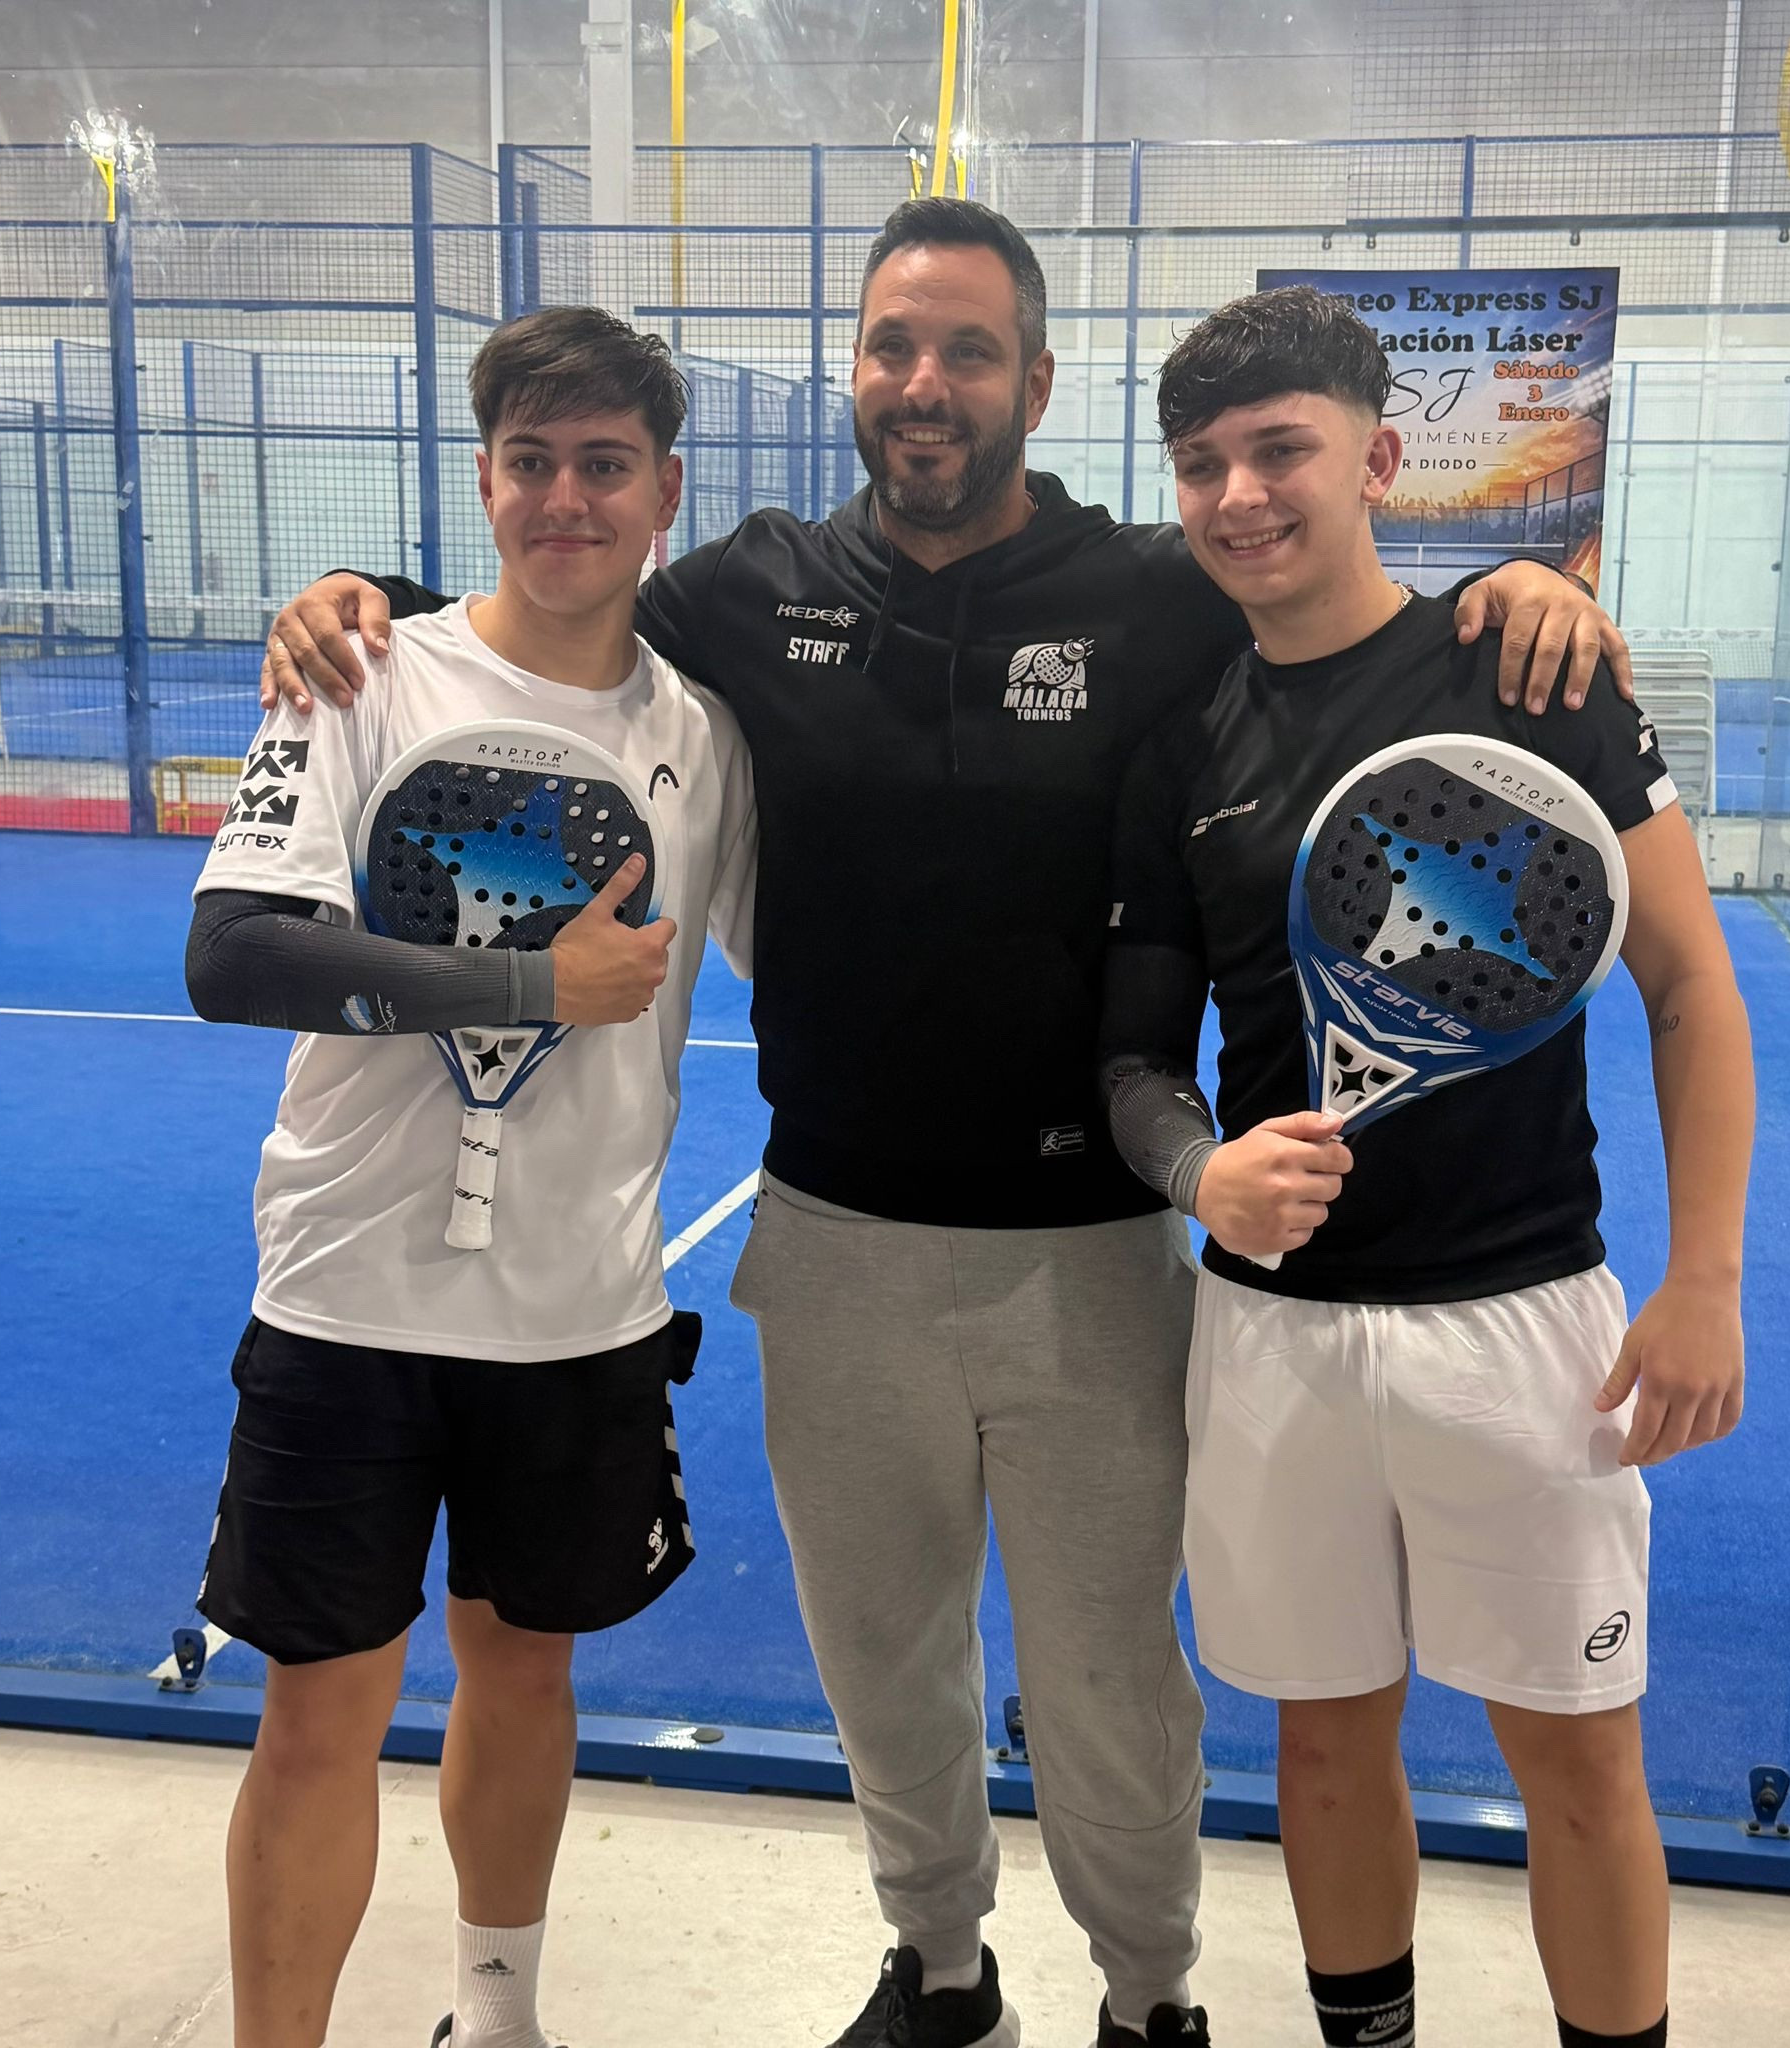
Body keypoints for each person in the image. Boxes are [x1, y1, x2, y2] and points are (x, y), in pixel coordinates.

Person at [259, 201, 1634, 2048]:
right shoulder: (745, 589)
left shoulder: (1154, 590)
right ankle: (941, 1972)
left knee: (1109, 1685)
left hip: (1096, 1258)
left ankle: (1150, 1997)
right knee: (885, 1671)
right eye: (893, 346)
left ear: (1034, 384)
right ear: (856, 372)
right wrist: (353, 588)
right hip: (835, 1245)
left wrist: (1514, 588)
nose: (926, 383)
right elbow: (545, 594)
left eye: (968, 351)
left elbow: (1343, 611)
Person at [1099, 285, 1753, 2048]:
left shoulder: (1532, 671)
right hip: (1276, 1337)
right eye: (1202, 464)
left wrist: (1704, 1281)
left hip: (1526, 1331)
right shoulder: (1182, 747)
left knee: (1579, 1765)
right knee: (1323, 1746)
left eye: (1281, 451)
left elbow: (1689, 988)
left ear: (1381, 459)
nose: (1240, 495)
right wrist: (1200, 1174)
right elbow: (1137, 1064)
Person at [185, 305, 756, 2048]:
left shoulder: (710, 738)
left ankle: (495, 2017)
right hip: (348, 1296)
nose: (565, 499)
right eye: (531, 462)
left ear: (665, 493)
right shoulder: (361, 674)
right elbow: (236, 955)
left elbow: (823, 953)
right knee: (318, 1713)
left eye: (605, 466)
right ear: (486, 477)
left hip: (579, 1308)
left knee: (526, 1672)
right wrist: (524, 987)